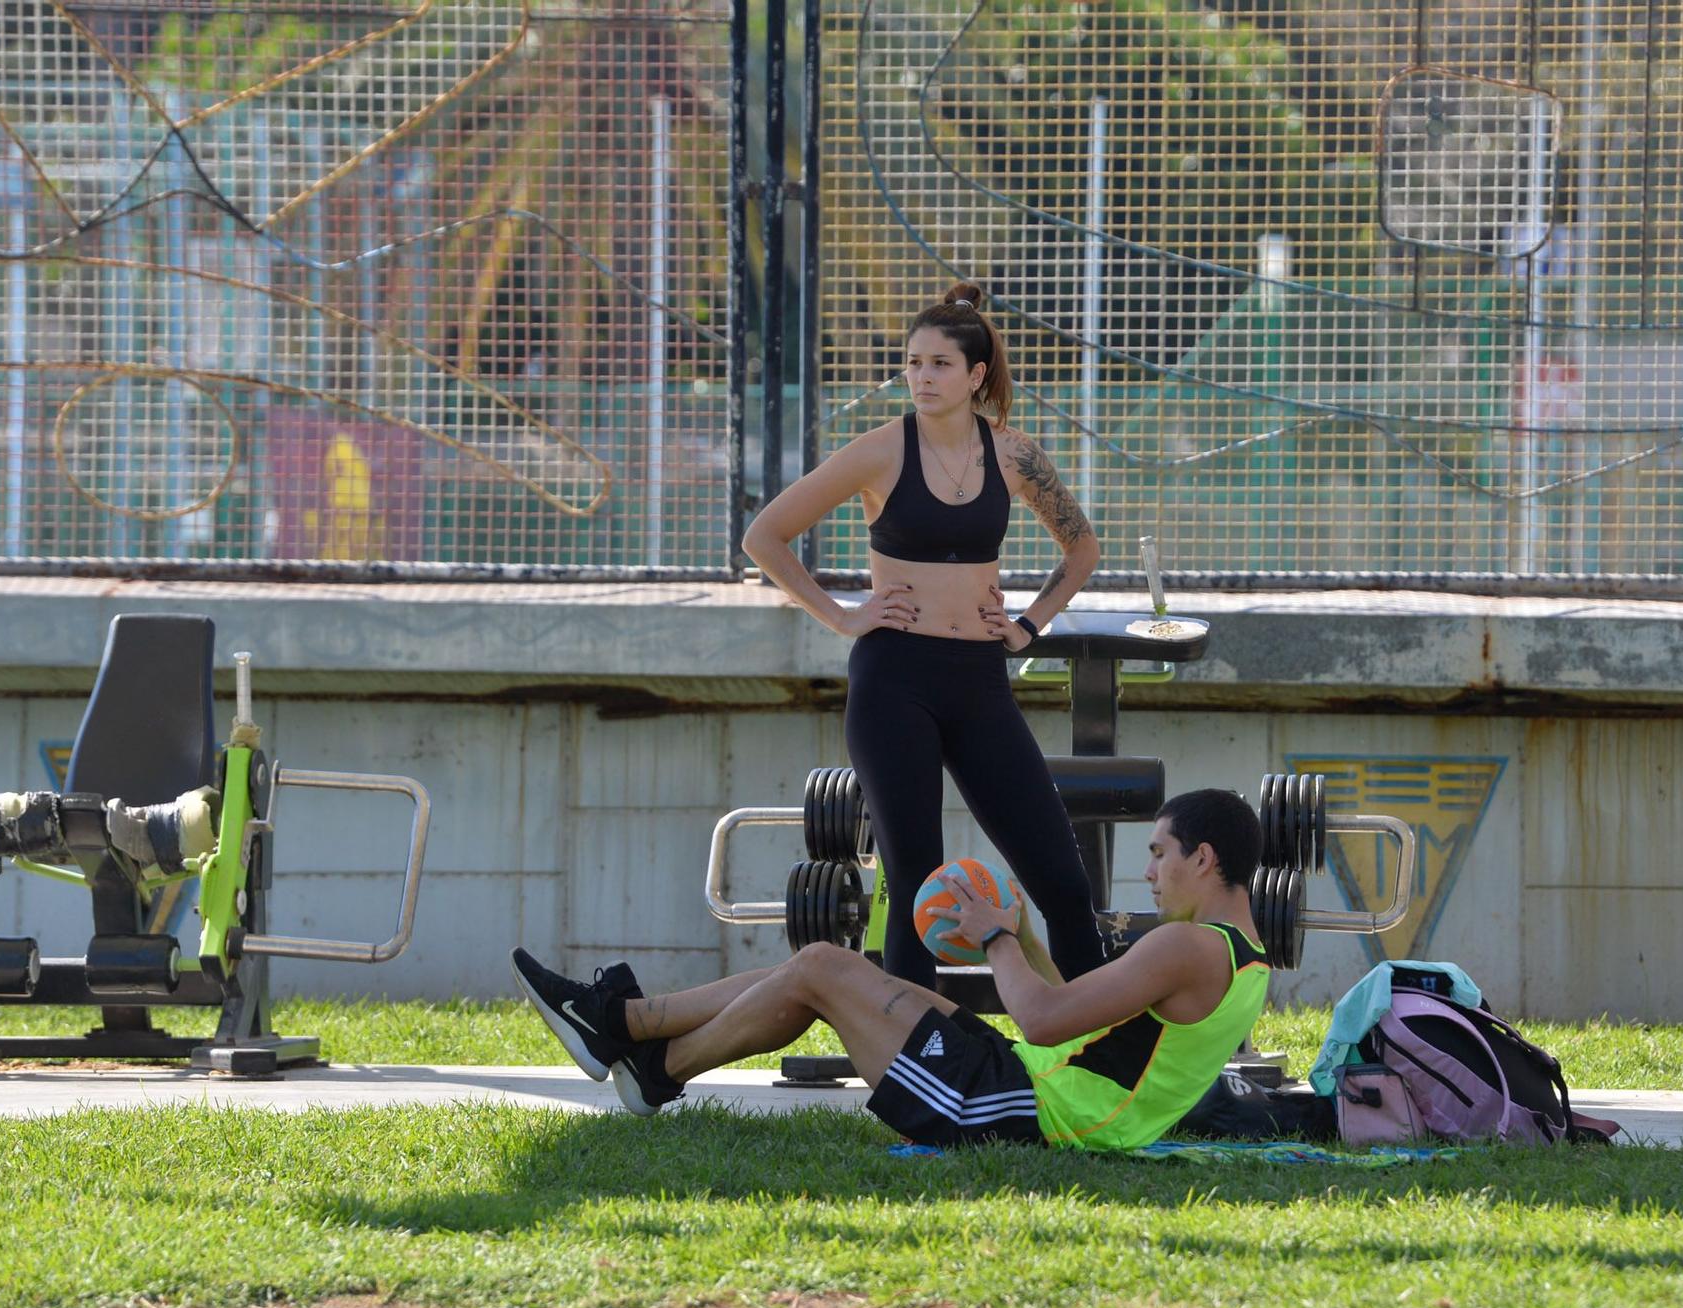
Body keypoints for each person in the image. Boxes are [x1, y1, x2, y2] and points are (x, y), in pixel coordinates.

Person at [511, 789, 1269, 1152]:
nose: (1150, 872)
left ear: (1204, 858)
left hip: (1019, 1115)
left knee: (818, 968)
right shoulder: (1244, 960)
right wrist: (1026, 934)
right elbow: (1074, 1009)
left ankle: (639, 1047)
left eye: (1159, 853)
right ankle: (629, 1032)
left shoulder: (1187, 945)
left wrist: (998, 938)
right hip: (1024, 1085)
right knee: (823, 964)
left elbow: (1039, 1015)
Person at [739, 282, 1107, 987]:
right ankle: (911, 1063)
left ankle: (1100, 1046)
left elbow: (1083, 547)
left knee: (1061, 879)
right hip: (893, 679)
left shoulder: (1013, 455)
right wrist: (844, 615)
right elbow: (766, 536)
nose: (922, 377)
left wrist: (1029, 625)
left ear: (975, 375)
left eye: (939, 364)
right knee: (914, 881)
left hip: (978, 682)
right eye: (912, 362)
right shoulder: (879, 450)